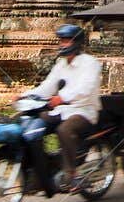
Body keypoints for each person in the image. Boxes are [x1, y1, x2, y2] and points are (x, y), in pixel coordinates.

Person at [22, 23, 102, 191]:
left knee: (64, 130)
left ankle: (71, 175)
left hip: (83, 110)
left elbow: (86, 89)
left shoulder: (90, 63)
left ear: (77, 43)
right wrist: (25, 95)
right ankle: (40, 171)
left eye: (66, 41)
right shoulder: (61, 63)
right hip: (62, 109)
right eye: (61, 41)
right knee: (33, 123)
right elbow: (47, 86)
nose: (62, 44)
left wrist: (63, 97)